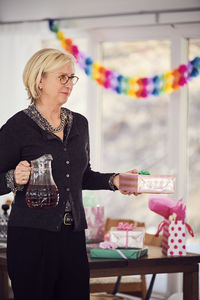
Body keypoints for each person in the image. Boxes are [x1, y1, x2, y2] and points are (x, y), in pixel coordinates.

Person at [0, 48, 138, 300]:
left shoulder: (80, 124)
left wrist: (115, 180)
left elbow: (81, 176)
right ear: (40, 80)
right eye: (61, 77)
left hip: (73, 237)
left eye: (71, 78)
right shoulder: (16, 127)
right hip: (31, 239)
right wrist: (13, 178)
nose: (69, 84)